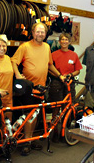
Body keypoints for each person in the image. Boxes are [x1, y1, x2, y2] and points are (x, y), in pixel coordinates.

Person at [11, 22, 63, 156]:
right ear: (33, 33)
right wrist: (17, 74)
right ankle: (27, 142)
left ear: (45, 34)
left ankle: (31, 139)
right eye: (38, 32)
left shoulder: (46, 47)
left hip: (41, 87)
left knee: (36, 114)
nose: (40, 34)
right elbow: (13, 61)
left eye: (43, 32)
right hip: (28, 88)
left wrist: (60, 75)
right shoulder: (25, 46)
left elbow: (49, 65)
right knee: (30, 114)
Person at [49, 33, 83, 115]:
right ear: (60, 42)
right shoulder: (53, 54)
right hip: (56, 83)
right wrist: (59, 76)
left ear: (69, 42)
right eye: (62, 39)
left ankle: (66, 125)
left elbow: (78, 70)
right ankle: (55, 126)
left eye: (66, 39)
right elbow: (49, 69)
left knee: (68, 106)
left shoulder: (74, 55)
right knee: (56, 106)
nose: (64, 41)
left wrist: (70, 75)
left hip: (69, 83)